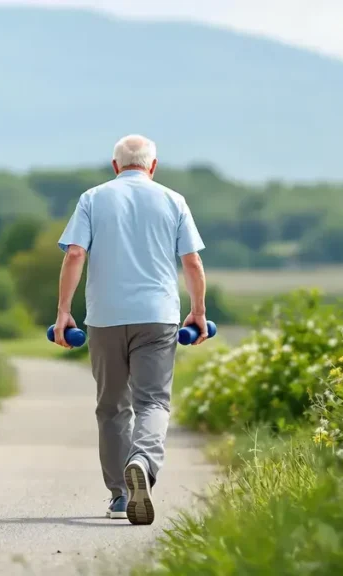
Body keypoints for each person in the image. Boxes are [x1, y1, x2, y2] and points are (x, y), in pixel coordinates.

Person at [53, 134, 207, 525]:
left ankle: (121, 496)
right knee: (153, 402)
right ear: (153, 166)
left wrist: (63, 313)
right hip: (158, 317)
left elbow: (75, 253)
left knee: (111, 407)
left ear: (115, 165)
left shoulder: (93, 198)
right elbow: (191, 262)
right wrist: (199, 311)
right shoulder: (174, 200)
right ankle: (142, 462)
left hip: (104, 318)